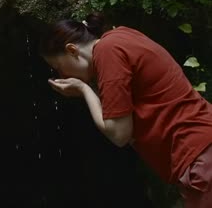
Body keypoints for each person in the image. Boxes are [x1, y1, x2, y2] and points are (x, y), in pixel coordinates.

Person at [38, 13, 212, 208]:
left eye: (58, 66)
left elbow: (119, 134)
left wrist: (84, 89)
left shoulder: (107, 52)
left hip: (199, 156)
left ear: (71, 50)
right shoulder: (121, 36)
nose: (61, 75)